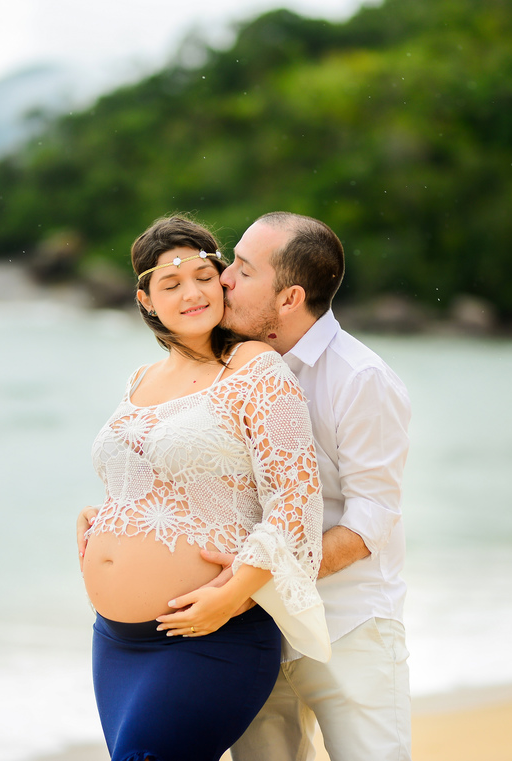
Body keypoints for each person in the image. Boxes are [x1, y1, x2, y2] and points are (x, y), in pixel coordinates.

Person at [80, 214, 330, 761]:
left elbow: (295, 503)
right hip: (117, 643)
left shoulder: (256, 369)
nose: (192, 292)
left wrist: (234, 593)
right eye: (170, 284)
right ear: (146, 300)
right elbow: (162, 481)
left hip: (211, 634)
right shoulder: (140, 380)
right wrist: (105, 517)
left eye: (203, 275)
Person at [213, 212, 412, 761]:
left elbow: (372, 516)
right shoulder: (226, 368)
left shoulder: (360, 378)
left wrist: (267, 575)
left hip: (349, 625)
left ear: (289, 297)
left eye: (244, 270)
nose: (224, 278)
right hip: (252, 630)